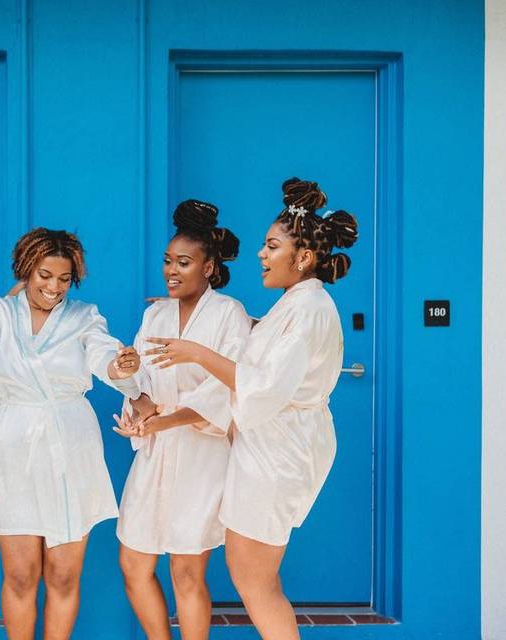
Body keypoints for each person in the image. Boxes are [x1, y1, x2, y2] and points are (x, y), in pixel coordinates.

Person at [144, 179, 358, 640]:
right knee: (249, 571)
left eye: (272, 245)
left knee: (253, 575)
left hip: (279, 452)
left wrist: (197, 351)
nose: (261, 254)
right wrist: (191, 308)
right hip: (269, 446)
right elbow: (265, 348)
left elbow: (260, 385)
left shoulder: (308, 310)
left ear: (302, 258)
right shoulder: (298, 304)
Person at [0, 228, 141, 640]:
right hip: (15, 442)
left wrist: (121, 367)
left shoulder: (84, 316)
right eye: (45, 275)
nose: (54, 287)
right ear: (27, 269)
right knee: (21, 574)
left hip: (71, 441)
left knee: (63, 575)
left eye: (64, 279)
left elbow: (102, 352)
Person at [113, 199, 251, 640]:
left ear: (209, 268)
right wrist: (139, 404)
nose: (172, 270)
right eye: (168, 261)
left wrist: (165, 421)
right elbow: (142, 383)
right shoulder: (155, 314)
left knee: (186, 569)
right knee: (133, 562)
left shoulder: (229, 315)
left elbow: (228, 389)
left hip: (201, 455)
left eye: (184, 263)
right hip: (155, 450)